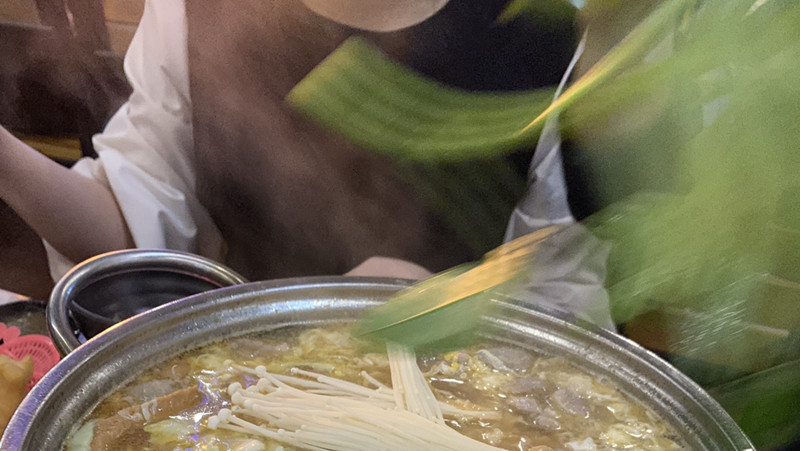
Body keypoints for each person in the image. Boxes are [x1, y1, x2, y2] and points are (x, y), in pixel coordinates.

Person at [0, 0, 612, 326]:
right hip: (248, 389)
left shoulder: (552, 31)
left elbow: (560, 295)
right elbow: (132, 230)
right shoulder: (197, 10)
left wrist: (451, 302)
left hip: (459, 405)